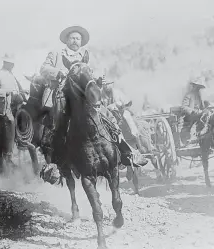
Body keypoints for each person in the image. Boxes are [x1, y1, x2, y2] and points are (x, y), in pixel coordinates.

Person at [40, 25, 147, 169]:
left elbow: (93, 75)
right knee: (57, 123)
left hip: (84, 96)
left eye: (78, 38)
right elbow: (43, 69)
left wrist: (98, 81)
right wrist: (58, 72)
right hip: (62, 94)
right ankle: (54, 163)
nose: (75, 41)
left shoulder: (86, 56)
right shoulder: (56, 54)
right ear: (66, 40)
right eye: (72, 38)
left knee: (108, 116)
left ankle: (127, 152)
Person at [180, 76, 207, 145]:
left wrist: (206, 105)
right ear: (194, 86)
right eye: (197, 87)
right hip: (189, 116)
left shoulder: (199, 96)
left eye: (199, 87)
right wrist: (192, 111)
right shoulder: (188, 95)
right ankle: (192, 138)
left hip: (198, 116)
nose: (198, 89)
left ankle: (204, 136)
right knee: (196, 119)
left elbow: (202, 107)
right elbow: (183, 107)